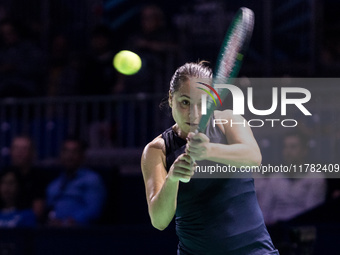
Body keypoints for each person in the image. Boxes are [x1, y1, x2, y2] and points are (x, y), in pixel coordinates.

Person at [141, 62, 279, 254]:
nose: (193, 113)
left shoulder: (228, 121)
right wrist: (172, 178)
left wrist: (208, 151)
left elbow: (254, 157)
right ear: (171, 98)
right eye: (185, 102)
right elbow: (159, 221)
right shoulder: (157, 149)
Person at [255, 131, 326, 226]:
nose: (288, 152)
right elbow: (265, 210)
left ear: (304, 151)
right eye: (285, 147)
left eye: (293, 147)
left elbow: (312, 214)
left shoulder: (316, 178)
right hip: (275, 231)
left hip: (302, 230)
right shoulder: (274, 178)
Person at [46, 138, 106, 227]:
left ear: (82, 156)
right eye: (66, 151)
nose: (69, 156)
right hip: (54, 232)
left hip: (80, 233)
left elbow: (93, 211)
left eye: (74, 152)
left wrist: (68, 222)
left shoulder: (92, 179)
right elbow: (49, 210)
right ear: (61, 155)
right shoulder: (54, 185)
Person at [9, 135, 47, 222]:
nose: (20, 152)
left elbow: (37, 211)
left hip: (27, 227)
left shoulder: (39, 177)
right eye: (16, 148)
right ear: (11, 151)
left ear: (32, 152)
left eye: (24, 149)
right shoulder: (3, 175)